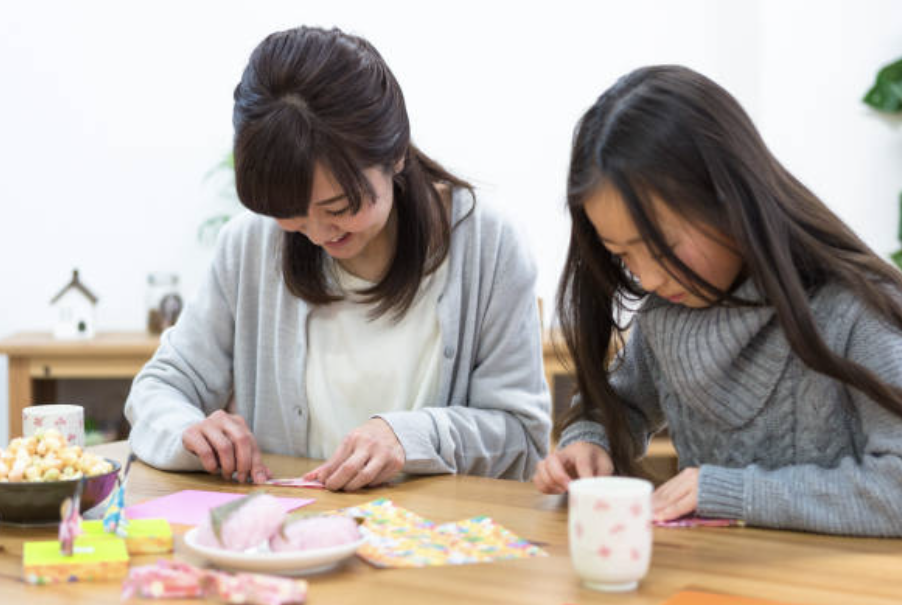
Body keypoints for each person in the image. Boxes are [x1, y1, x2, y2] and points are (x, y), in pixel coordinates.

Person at [125, 26, 550, 491]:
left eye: (339, 209)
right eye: (291, 215)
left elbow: (521, 435)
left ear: (395, 156)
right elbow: (160, 389)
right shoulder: (249, 245)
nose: (318, 234)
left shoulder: (488, 245)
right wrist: (187, 430)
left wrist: (410, 437)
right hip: (293, 540)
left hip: (440, 545)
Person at [533, 65, 902, 537]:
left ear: (730, 199)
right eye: (621, 254)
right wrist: (589, 442)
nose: (646, 276)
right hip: (716, 577)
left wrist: (732, 492)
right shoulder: (668, 312)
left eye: (663, 245)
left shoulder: (856, 309)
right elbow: (618, 403)